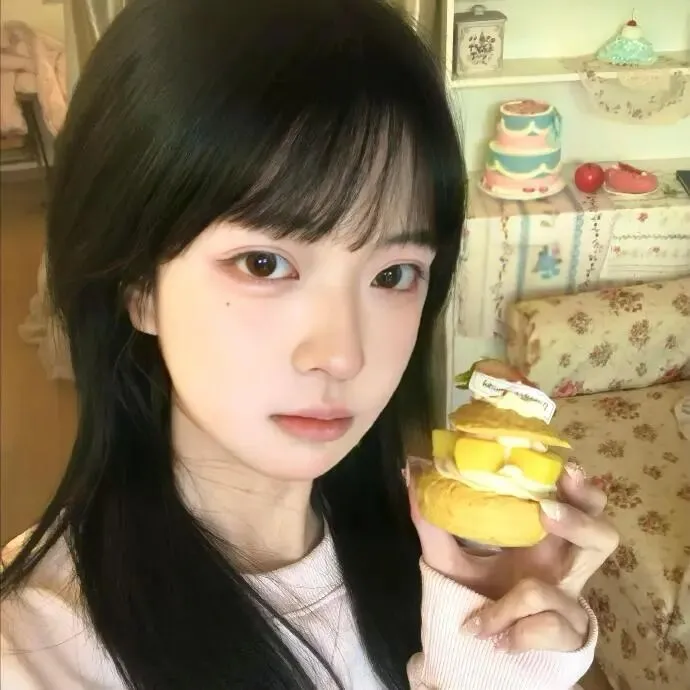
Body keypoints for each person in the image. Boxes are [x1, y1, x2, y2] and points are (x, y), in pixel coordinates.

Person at [0, 1, 619, 688]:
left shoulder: (437, 565)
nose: (343, 355)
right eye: (264, 263)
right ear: (139, 286)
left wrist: (489, 654)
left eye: (393, 274)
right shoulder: (35, 650)